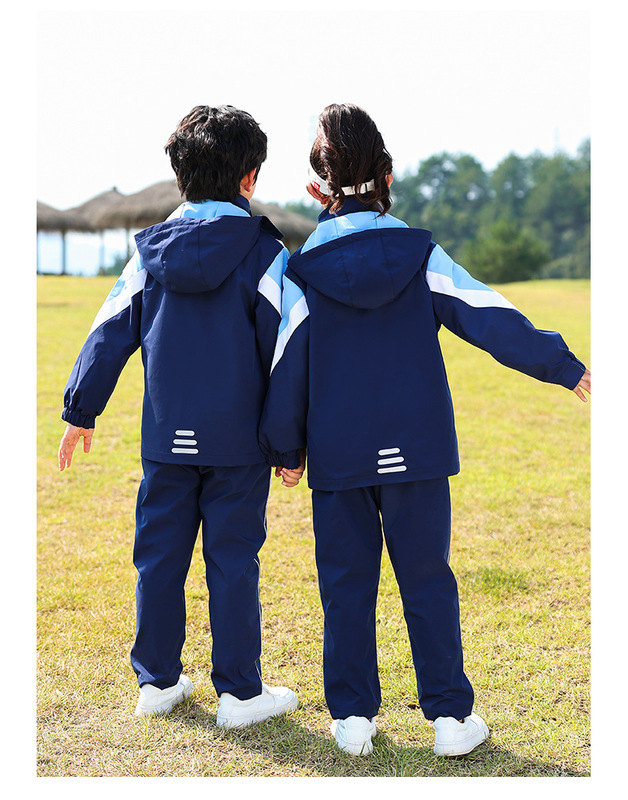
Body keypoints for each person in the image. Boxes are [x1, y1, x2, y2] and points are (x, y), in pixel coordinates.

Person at [259, 103, 591, 757]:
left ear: (317, 189)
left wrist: (286, 447)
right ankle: (450, 721)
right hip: (418, 449)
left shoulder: (302, 271)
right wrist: (563, 365)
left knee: (345, 585)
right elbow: (488, 315)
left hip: (340, 456)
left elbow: (288, 364)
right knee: (427, 580)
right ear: (388, 175)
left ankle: (353, 721)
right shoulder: (421, 255)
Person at [58, 105, 302, 724]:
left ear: (178, 176)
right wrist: (287, 443)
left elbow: (110, 329)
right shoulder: (266, 252)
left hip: (166, 440)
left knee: (159, 557)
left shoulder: (148, 252)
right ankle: (241, 694)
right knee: (233, 559)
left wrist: (81, 409)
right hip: (239, 446)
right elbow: (287, 352)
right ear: (250, 177)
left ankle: (157, 683)